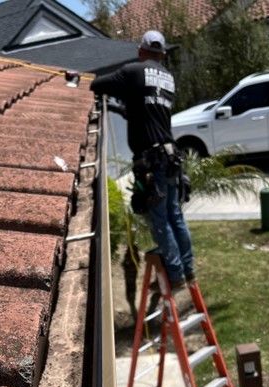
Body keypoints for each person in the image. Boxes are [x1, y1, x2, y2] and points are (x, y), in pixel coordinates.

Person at [90, 30, 195, 291]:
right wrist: (120, 108)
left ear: (141, 51)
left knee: (160, 219)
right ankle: (188, 269)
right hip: (170, 155)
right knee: (175, 216)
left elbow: (97, 85)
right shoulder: (168, 78)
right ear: (162, 55)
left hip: (152, 160)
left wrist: (80, 80)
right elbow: (145, 111)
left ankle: (175, 275)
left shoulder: (133, 71)